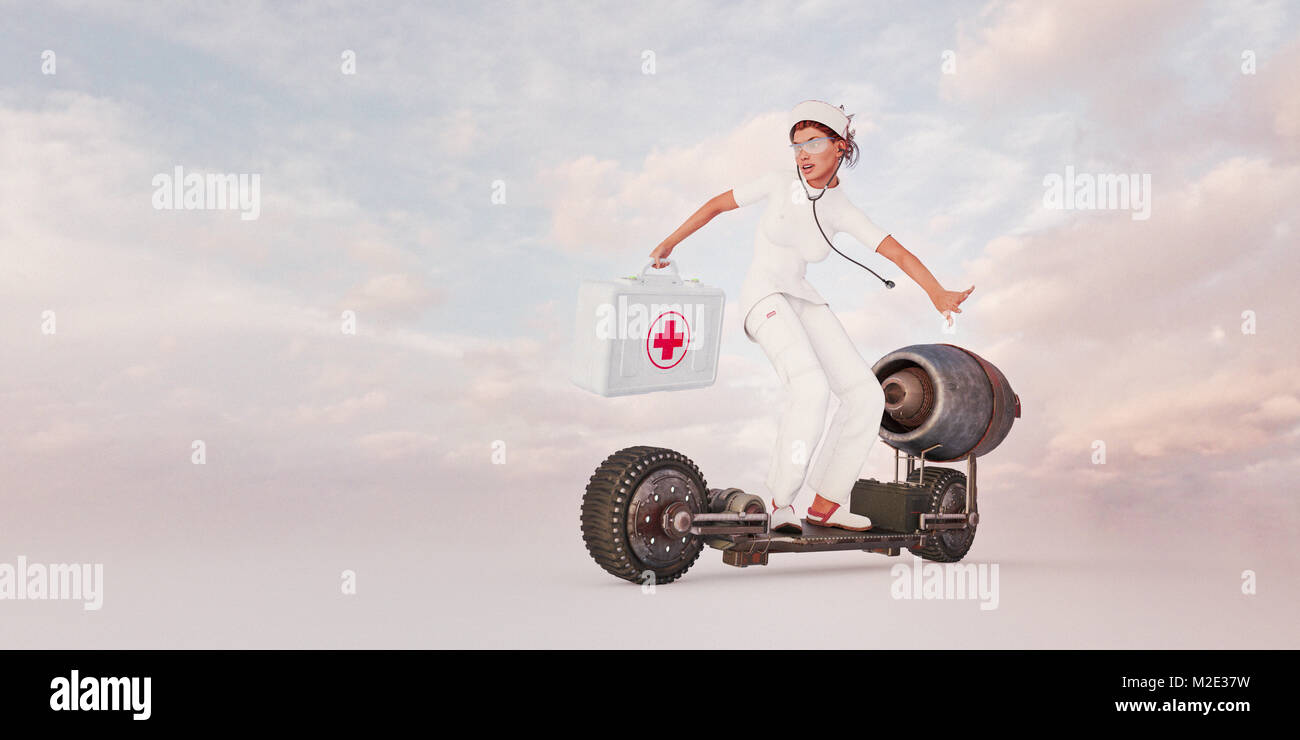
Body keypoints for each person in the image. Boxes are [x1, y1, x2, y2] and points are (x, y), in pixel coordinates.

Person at [649, 100, 973, 533]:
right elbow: (716, 205)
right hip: (763, 295)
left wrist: (937, 293)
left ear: (840, 146)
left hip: (803, 298)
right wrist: (668, 244)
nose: (802, 154)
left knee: (865, 395)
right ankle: (781, 502)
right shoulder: (778, 183)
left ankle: (827, 502)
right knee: (811, 388)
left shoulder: (842, 209)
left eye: (814, 143)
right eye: (796, 144)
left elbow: (894, 251)